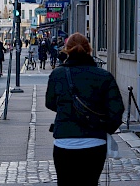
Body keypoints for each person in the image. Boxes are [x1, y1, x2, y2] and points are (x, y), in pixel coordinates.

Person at [45, 32, 124, 186]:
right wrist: (104, 128)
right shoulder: (104, 76)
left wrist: (66, 110)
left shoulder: (57, 74)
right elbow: (117, 110)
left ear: (67, 50)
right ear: (89, 50)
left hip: (65, 141)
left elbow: (50, 103)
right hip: (94, 142)